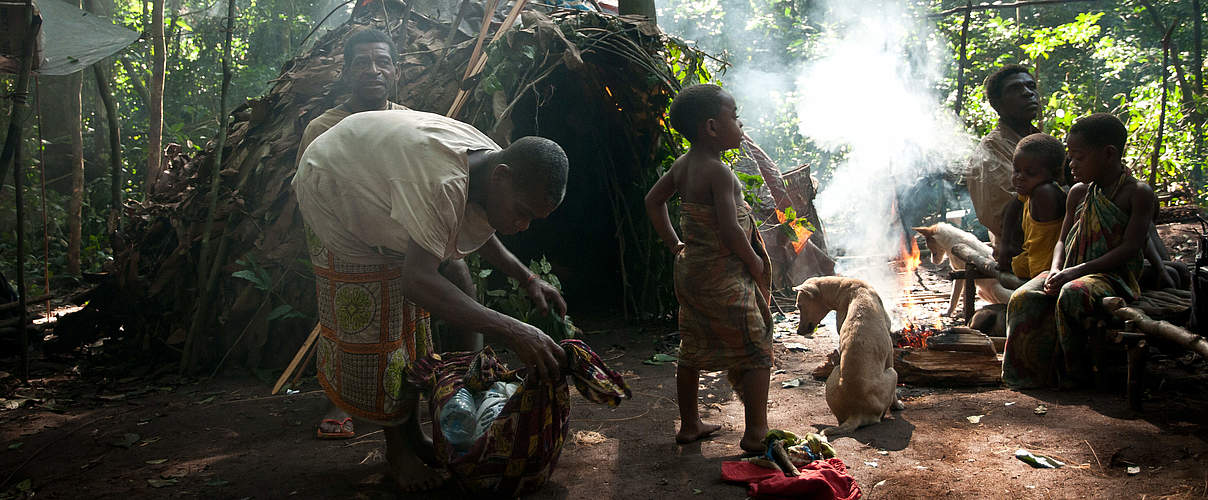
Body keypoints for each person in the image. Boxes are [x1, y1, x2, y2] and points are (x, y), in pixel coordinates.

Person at [293, 109, 570, 491]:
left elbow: (471, 224)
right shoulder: (442, 183)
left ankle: (418, 436)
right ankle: (397, 453)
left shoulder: (490, 165)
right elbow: (418, 281)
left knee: (426, 308)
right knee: (380, 329)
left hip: (381, 177)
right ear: (502, 177)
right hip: (335, 185)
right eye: (522, 214)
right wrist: (513, 330)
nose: (523, 226)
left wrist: (528, 278)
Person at [298, 28, 485, 440]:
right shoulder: (322, 128)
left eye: (382, 61)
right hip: (349, 242)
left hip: (403, 235)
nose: (373, 70)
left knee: (445, 285)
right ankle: (343, 400)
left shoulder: (407, 120)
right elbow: (314, 191)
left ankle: (464, 378)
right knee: (355, 324)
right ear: (347, 72)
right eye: (362, 62)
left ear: (396, 71)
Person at [644, 84, 773, 454]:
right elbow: (732, 230)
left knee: (692, 346)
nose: (740, 122)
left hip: (691, 273)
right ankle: (756, 432)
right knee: (757, 343)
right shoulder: (720, 173)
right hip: (724, 277)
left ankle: (689, 424)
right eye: (735, 116)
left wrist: (674, 243)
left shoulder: (682, 166)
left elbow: (653, 201)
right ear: (712, 127)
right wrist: (754, 261)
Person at [1003, 113, 1154, 389]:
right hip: (1070, 268)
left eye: (1078, 157)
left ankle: (1075, 372)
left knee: (1073, 292)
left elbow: (1131, 248)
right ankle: (1028, 376)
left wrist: (1076, 272)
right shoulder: (1079, 192)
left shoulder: (1137, 193)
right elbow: (1062, 241)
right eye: (1070, 157)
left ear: (1108, 154)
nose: (1071, 165)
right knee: (1024, 297)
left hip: (1112, 276)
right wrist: (1056, 269)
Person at [967, 64, 1041, 246]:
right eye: (1015, 88)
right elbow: (1006, 219)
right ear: (998, 104)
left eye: (1031, 87)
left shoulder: (1040, 139)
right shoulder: (992, 149)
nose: (1027, 93)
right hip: (1023, 250)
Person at [995, 133, 1067, 280]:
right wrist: (1004, 248)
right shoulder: (1030, 189)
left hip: (1046, 271)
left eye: (1031, 173)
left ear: (1055, 174)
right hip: (1030, 264)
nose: (1020, 177)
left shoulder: (1045, 192)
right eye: (1016, 170)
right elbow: (1013, 207)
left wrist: (1005, 251)